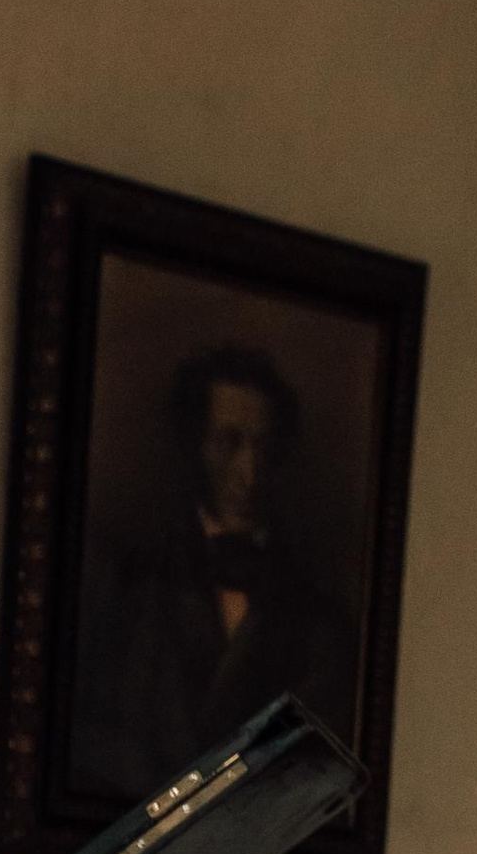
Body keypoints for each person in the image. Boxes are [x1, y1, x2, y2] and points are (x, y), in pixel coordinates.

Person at [78, 339, 359, 796]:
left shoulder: (322, 622)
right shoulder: (128, 589)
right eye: (229, 442)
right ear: (195, 445)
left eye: (264, 446)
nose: (250, 469)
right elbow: (99, 742)